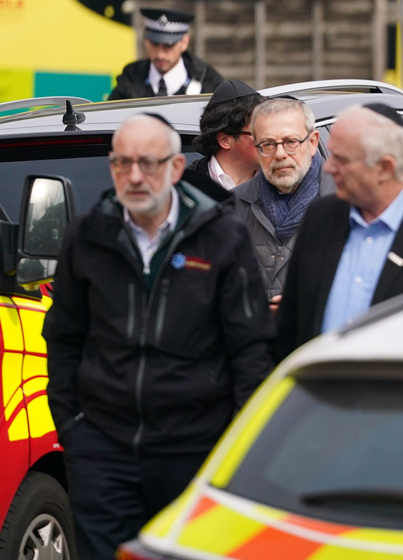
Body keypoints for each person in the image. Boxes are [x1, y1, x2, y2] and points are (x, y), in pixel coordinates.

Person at [41, 113, 274, 560]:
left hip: (194, 452)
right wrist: (74, 430)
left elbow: (249, 349)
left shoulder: (220, 237)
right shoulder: (88, 235)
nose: (133, 176)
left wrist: (230, 446)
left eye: (147, 163)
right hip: (103, 453)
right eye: (121, 163)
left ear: (174, 168)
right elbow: (64, 336)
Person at [274, 106, 403, 362]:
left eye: (342, 159)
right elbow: (289, 333)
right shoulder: (320, 219)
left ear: (385, 168)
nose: (328, 168)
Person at [233, 97, 327, 306]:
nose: (280, 154)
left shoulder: (348, 203)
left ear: (312, 142)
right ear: (257, 149)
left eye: (291, 142)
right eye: (268, 144)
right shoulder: (231, 207)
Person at [108, 7, 224, 100]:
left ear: (184, 42)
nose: (160, 55)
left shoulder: (209, 82)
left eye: (168, 45)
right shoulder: (130, 78)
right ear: (146, 41)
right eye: (154, 44)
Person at [188, 79, 264, 193]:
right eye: (258, 133)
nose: (270, 140)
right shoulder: (189, 186)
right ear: (225, 140)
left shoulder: (281, 181)